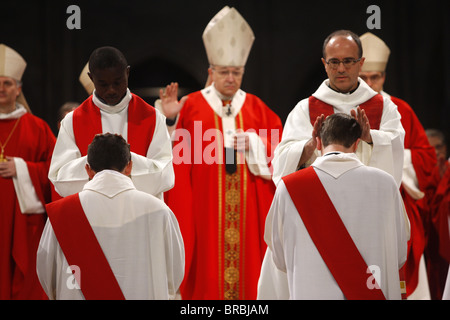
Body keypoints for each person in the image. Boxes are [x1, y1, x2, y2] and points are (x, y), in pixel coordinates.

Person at [161, 6, 283, 300]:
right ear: (210, 72)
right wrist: (169, 120)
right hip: (204, 211)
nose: (230, 78)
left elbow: (281, 156)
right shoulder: (190, 105)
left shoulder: (258, 108)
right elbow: (174, 157)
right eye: (224, 72)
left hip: (250, 211)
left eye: (236, 72)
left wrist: (255, 144)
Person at [259, 113, 409, 299]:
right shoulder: (386, 184)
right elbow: (400, 252)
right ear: (356, 144)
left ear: (319, 143)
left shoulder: (289, 187)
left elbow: (279, 258)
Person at [37, 133, 185, 300]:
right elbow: (175, 271)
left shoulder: (62, 212)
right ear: (129, 167)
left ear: (88, 169)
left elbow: (46, 270)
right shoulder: (159, 211)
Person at [272, 30, 405, 188]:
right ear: (325, 64)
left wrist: (370, 137)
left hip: (367, 198)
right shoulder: (305, 109)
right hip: (322, 200)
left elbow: (396, 149)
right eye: (334, 62)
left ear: (360, 63)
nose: (341, 68)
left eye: (348, 61)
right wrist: (309, 147)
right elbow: (281, 162)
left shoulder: (384, 106)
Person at [359, 32, 437, 299]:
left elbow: (427, 162)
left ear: (384, 76)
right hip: (356, 208)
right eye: (364, 78)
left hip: (396, 206)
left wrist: (386, 155)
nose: (370, 84)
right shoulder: (345, 110)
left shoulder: (400, 109)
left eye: (376, 77)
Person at [48, 46, 174, 200]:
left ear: (127, 72)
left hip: (139, 211)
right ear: (91, 77)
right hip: (93, 212)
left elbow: (165, 174)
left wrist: (118, 157)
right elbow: (59, 178)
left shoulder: (152, 117)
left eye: (117, 82)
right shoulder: (72, 121)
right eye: (103, 84)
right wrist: (98, 158)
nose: (111, 90)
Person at [0, 44, 56, 299]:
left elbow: (55, 170)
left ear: (18, 89)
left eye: (7, 83)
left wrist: (21, 168)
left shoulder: (37, 127)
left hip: (26, 222)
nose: (1, 89)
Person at [422, 129, 450, 299]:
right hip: (428, 241)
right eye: (430, 148)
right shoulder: (416, 173)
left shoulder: (448, 169)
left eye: (439, 147)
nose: (436, 152)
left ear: (445, 148)